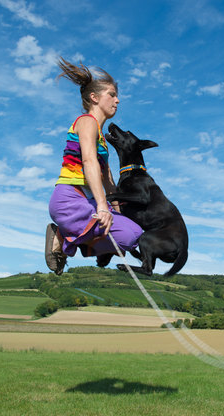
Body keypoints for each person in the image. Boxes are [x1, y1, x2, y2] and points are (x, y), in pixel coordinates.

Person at [45, 57, 143, 275]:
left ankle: (71, 238)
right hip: (70, 199)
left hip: (90, 203)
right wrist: (101, 207)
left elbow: (109, 185)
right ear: (94, 97)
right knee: (122, 234)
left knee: (132, 235)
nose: (117, 101)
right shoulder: (86, 121)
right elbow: (88, 161)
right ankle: (61, 238)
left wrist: (119, 215)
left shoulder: (102, 141)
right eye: (112, 95)